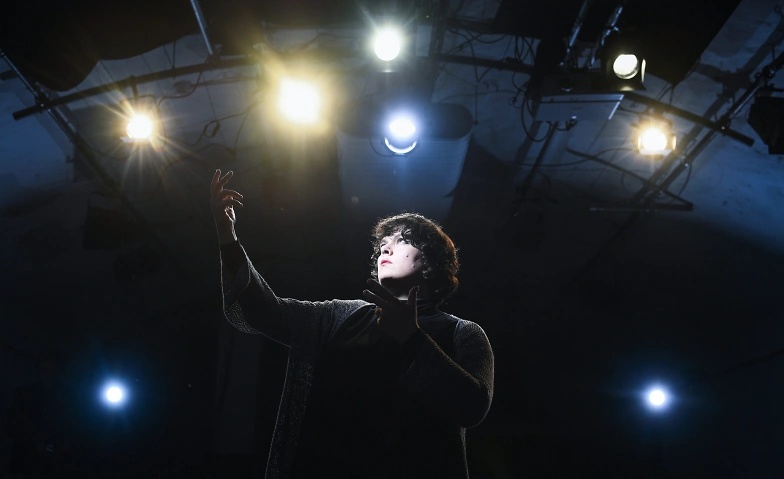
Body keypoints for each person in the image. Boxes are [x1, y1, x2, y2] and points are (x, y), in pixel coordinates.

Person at [210, 169, 494, 479]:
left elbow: (473, 407)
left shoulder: (462, 333)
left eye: (401, 241)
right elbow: (263, 312)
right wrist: (228, 237)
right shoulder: (339, 315)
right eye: (383, 243)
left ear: (430, 263)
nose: (385, 248)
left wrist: (412, 339)